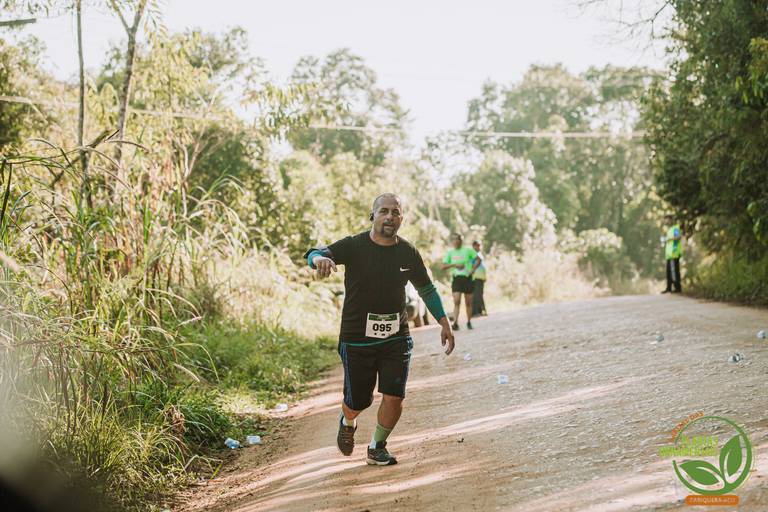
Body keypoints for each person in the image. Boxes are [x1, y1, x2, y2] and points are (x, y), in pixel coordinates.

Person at [304, 193, 455, 466]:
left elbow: (426, 289)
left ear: (401, 218)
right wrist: (318, 260)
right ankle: (347, 421)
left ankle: (377, 447)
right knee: (358, 402)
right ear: (372, 215)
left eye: (395, 212)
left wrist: (444, 322)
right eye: (384, 211)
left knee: (394, 396)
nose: (389, 216)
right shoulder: (354, 246)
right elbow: (316, 253)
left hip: (396, 338)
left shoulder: (408, 252)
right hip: (356, 339)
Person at [441, 233, 482, 330]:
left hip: (468, 278)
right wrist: (455, 265)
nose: (455, 242)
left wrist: (473, 269)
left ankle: (469, 322)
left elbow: (478, 259)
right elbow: (443, 266)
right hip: (457, 279)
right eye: (454, 240)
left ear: (460, 241)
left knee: (468, 303)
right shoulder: (450, 252)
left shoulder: (468, 250)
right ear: (452, 242)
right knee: (456, 301)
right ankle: (455, 323)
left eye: (457, 240)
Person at [661, 214, 683, 294]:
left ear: (671, 220)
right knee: (669, 272)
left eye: (667, 219)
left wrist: (669, 239)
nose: (666, 221)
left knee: (674, 272)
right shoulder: (669, 230)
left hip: (674, 253)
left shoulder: (675, 228)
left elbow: (678, 237)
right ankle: (669, 288)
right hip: (669, 254)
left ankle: (677, 288)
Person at [471, 240, 487, 316]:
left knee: (479, 294)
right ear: (473, 246)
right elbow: (471, 264)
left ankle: (481, 311)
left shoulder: (478, 253)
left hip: (480, 277)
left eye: (479, 245)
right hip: (475, 276)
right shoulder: (473, 254)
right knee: (476, 294)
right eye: (477, 245)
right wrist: (472, 270)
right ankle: (475, 312)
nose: (478, 247)